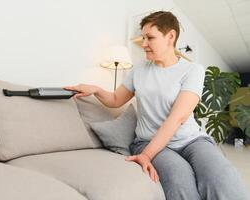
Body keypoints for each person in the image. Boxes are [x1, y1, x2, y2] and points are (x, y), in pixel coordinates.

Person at [64, 11, 249, 200]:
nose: (143, 43)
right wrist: (95, 89)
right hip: (148, 142)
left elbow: (178, 117)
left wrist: (146, 156)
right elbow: (115, 100)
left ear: (170, 36)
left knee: (222, 177)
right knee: (179, 179)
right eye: (143, 37)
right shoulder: (139, 71)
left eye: (150, 38)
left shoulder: (192, 70)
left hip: (192, 141)